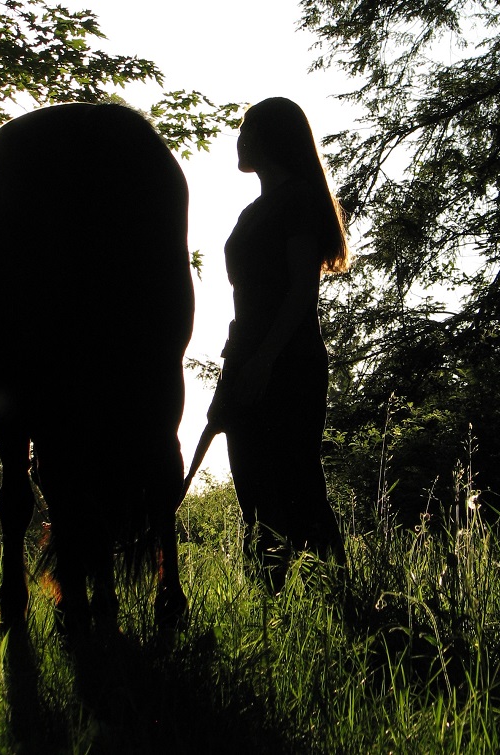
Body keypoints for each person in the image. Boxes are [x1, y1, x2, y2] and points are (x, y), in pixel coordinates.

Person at [210, 97, 349, 592]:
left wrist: (265, 360)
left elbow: (300, 293)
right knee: (255, 495)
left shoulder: (297, 202)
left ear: (270, 138)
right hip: (248, 361)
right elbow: (247, 302)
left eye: (247, 128)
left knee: (299, 489)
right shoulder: (256, 209)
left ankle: (342, 601)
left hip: (289, 366)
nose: (239, 137)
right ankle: (274, 609)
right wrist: (236, 365)